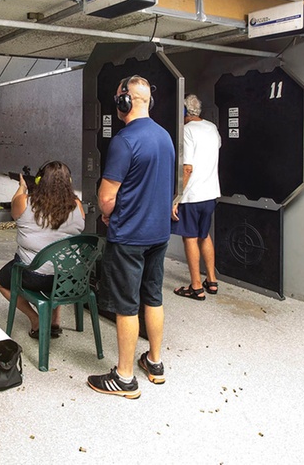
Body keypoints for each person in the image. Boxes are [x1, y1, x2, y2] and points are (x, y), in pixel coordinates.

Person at [87, 75, 175, 399]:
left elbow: (107, 198)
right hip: (159, 234)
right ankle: (154, 362)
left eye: (118, 98)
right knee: (154, 297)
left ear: (126, 101)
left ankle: (124, 378)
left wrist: (108, 212)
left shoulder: (124, 141)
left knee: (127, 306)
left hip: (129, 238)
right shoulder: (165, 137)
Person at [0, 161, 86, 339]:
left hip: (34, 278)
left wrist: (22, 187)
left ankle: (35, 319)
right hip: (69, 279)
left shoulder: (24, 202)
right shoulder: (78, 206)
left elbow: (15, 207)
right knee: (60, 259)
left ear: (38, 181)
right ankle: (54, 321)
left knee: (1, 281)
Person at [172, 94, 222, 301]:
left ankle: (196, 286)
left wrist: (176, 198)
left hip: (192, 195)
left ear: (184, 112)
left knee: (190, 237)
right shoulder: (211, 128)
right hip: (210, 192)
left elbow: (188, 168)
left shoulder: (187, 131)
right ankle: (212, 281)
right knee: (204, 235)